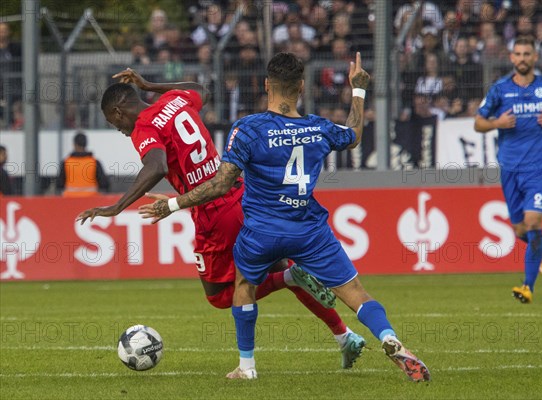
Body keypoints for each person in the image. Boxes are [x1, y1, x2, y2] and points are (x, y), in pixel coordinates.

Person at [139, 52, 431, 382]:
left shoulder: (248, 129)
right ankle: (389, 338)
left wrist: (173, 205)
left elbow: (221, 184)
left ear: (267, 85)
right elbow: (353, 135)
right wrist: (359, 90)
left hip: (261, 231)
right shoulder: (318, 128)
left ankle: (246, 367)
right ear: (301, 87)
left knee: (243, 285)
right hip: (308, 230)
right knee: (357, 294)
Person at [76, 69, 366, 370]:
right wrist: (150, 85)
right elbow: (201, 89)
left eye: (115, 123)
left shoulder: (144, 127)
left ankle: (285, 291)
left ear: (119, 111)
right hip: (240, 195)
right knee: (279, 266)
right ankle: (344, 337)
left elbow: (157, 166)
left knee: (219, 295)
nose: (120, 130)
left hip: (214, 213)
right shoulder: (175, 100)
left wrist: (117, 206)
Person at [474, 35, 542, 303]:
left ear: (535, 57)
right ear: (511, 57)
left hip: (538, 167)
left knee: (533, 222)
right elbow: (478, 123)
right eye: (518, 54)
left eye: (527, 54)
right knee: (520, 231)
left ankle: (527, 286)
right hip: (510, 168)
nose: (523, 59)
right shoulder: (499, 90)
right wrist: (497, 123)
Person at [57, 132, 110, 197]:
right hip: (91, 199)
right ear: (86, 144)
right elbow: (104, 184)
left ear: (74, 144)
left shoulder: (66, 162)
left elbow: (59, 184)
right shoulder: (94, 162)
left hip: (70, 199)